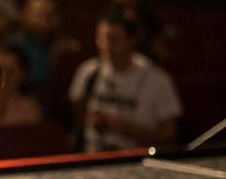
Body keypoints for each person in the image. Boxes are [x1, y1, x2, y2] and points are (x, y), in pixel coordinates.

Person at [69, 9, 182, 153]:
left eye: (114, 40)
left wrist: (126, 128)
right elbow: (77, 107)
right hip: (93, 155)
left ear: (131, 41)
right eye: (102, 39)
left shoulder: (156, 79)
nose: (106, 46)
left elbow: (169, 135)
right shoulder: (88, 71)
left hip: (136, 158)